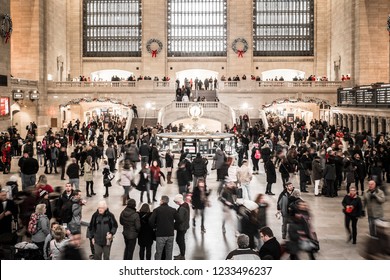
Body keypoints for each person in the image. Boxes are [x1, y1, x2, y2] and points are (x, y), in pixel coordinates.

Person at [149, 195, 177, 260]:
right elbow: (179, 220)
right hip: (170, 234)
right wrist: (173, 226)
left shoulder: (157, 210)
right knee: (169, 252)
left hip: (160, 234)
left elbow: (151, 221)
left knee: (159, 252)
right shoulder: (173, 210)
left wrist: (155, 227)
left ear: (162, 201)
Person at [173, 194, 190, 260]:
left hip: (181, 227)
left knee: (180, 240)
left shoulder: (182, 208)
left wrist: (174, 225)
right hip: (184, 226)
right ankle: (181, 254)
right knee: (179, 240)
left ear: (178, 201)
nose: (176, 203)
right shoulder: (186, 205)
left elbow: (179, 219)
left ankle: (182, 255)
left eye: (176, 202)